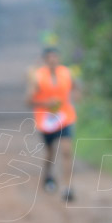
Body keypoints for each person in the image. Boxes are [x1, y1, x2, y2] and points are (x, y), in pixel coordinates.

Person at [26, 46, 79, 202]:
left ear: (59, 59)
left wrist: (77, 94)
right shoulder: (38, 76)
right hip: (46, 120)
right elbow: (28, 100)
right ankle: (48, 175)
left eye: (55, 57)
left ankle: (67, 187)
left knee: (67, 150)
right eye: (49, 58)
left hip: (65, 117)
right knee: (50, 152)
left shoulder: (67, 73)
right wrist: (45, 102)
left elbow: (76, 87)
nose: (53, 61)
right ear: (45, 60)